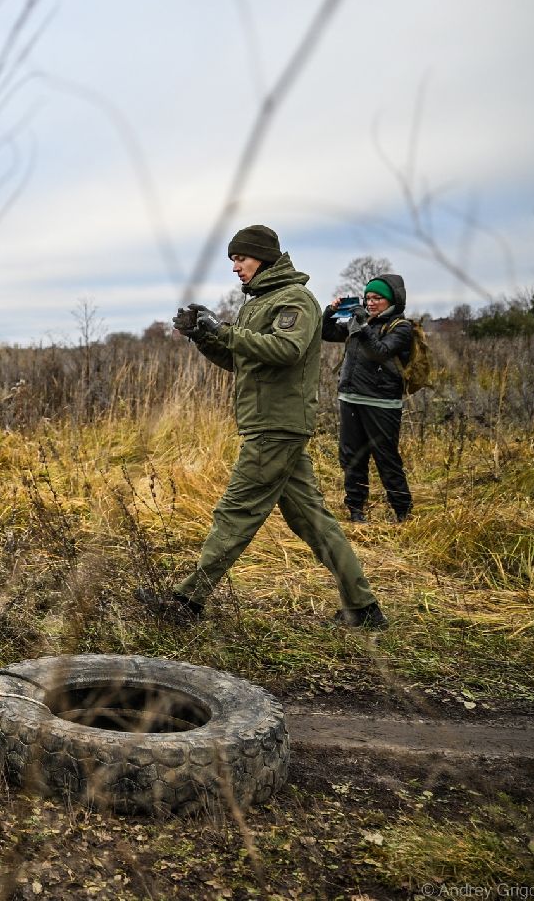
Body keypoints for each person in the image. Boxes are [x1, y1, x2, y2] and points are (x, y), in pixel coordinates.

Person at [137, 225, 389, 629]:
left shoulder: (296, 301)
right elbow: (243, 359)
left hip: (277, 426)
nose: (235, 267)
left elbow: (286, 350)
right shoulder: (259, 303)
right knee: (312, 520)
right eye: (233, 260)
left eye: (241, 259)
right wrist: (202, 335)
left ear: (264, 258)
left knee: (236, 511)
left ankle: (187, 601)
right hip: (266, 424)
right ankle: (364, 608)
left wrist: (223, 330)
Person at [322, 276, 415, 524]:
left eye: (377, 298)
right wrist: (330, 311)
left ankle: (403, 512)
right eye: (368, 298)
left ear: (392, 300)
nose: (371, 303)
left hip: (381, 403)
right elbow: (327, 332)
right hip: (351, 398)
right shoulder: (358, 323)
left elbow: (379, 352)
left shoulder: (401, 327)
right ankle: (356, 511)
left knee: (386, 458)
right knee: (352, 457)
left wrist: (362, 326)